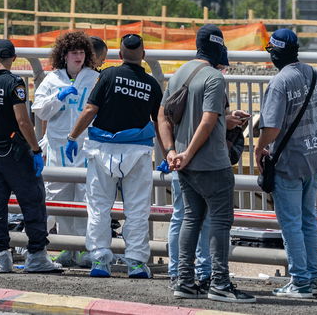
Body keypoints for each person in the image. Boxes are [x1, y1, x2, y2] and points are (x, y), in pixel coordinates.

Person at [158, 25, 255, 303]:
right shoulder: (214, 77)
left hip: (183, 165)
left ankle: (185, 282)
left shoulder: (180, 73)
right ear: (218, 47)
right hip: (211, 163)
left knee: (191, 218)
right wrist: (189, 152)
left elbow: (162, 116)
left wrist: (172, 152)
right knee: (221, 222)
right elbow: (208, 120)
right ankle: (220, 283)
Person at [65, 33, 163, 279]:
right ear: (143, 55)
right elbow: (160, 120)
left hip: (102, 150)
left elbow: (91, 109)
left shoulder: (108, 75)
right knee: (137, 209)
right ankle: (136, 263)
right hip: (138, 151)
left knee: (98, 207)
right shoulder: (151, 84)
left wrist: (72, 137)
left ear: (119, 55)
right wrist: (167, 153)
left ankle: (100, 259)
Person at [254, 28, 317, 299]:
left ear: (275, 54)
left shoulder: (280, 82)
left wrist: (258, 148)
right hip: (314, 159)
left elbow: (271, 127)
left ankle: (300, 281)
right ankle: (311, 276)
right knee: (308, 220)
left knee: (291, 223)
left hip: (289, 161)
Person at [0, 39, 63, 274]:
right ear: (13, 58)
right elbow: (23, 121)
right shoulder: (14, 83)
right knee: (33, 201)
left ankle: (0, 256)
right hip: (15, 152)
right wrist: (35, 150)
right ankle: (37, 255)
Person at [31, 30, 101, 267]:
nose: (78, 56)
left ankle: (82, 248)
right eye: (73, 53)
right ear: (64, 55)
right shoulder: (52, 80)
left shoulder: (94, 78)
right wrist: (58, 97)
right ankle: (66, 247)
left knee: (84, 197)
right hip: (58, 147)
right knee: (57, 197)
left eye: (81, 52)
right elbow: (39, 110)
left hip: (85, 147)